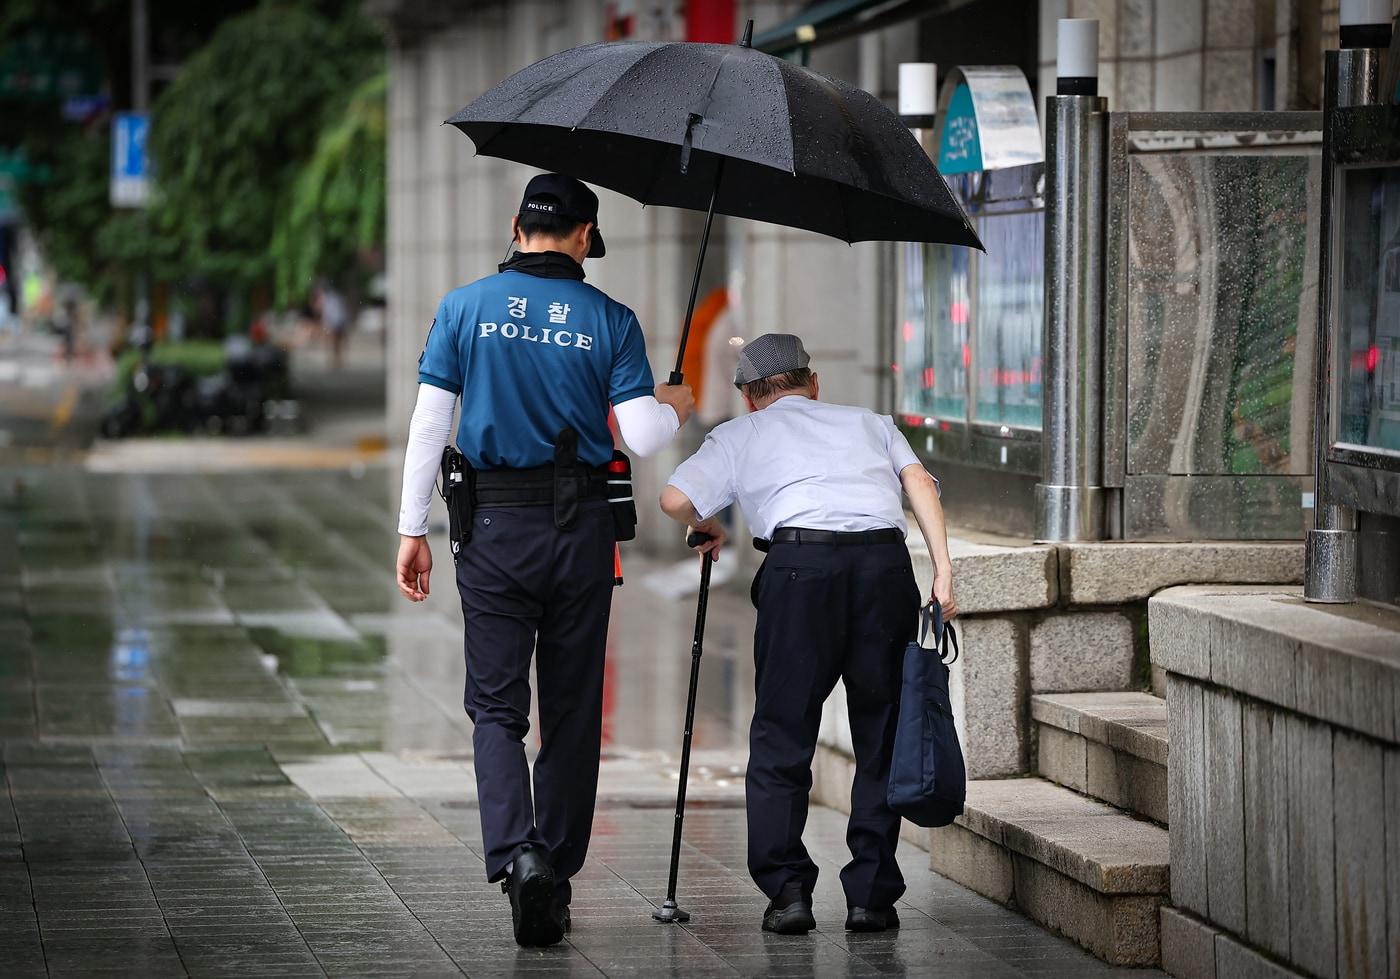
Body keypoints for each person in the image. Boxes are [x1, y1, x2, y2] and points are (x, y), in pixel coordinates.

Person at [395, 173, 695, 947]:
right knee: (570, 709)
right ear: (586, 236)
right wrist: (675, 405)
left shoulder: (464, 308)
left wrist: (411, 529)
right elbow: (643, 436)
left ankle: (517, 853)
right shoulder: (611, 319)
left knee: (495, 706)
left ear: (515, 225)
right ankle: (553, 870)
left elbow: (430, 426)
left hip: (491, 527)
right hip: (581, 530)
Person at [659, 333, 955, 936]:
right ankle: (871, 895)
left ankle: (787, 891)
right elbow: (919, 482)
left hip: (798, 572)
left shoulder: (740, 434)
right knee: (882, 730)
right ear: (812, 383)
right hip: (883, 568)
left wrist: (708, 524)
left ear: (747, 397)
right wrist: (943, 568)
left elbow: (673, 498)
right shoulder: (870, 422)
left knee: (782, 733)